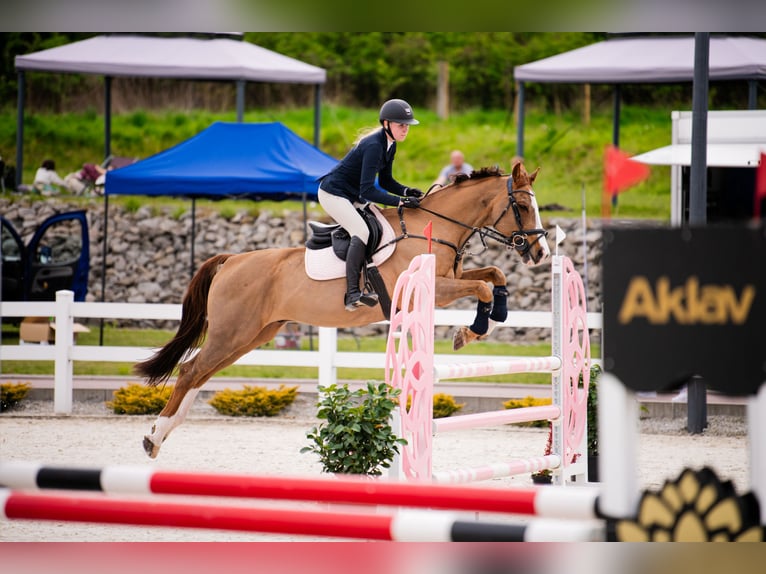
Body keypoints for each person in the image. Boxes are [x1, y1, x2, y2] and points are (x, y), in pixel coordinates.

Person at [318, 98, 423, 311]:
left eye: (407, 125)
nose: (405, 129)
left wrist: (405, 191)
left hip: (351, 195)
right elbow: (368, 190)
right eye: (401, 125)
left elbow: (385, 182)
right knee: (362, 231)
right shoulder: (374, 145)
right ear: (386, 124)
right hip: (333, 194)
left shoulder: (389, 145)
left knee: (380, 224)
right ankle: (352, 293)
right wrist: (401, 202)